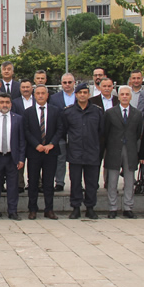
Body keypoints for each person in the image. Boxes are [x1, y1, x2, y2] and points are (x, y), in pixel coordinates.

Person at [60, 83, 104, 219]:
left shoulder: (97, 111)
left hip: (92, 153)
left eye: (85, 92)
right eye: (80, 93)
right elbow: (63, 132)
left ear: (89, 94)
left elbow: (101, 132)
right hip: (75, 153)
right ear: (76, 95)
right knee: (75, 182)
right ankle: (76, 208)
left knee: (91, 183)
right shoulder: (68, 112)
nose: (83, 95)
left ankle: (90, 208)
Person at [103, 86, 144, 218]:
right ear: (118, 97)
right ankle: (112, 208)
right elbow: (106, 132)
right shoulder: (110, 113)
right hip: (114, 149)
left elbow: (138, 132)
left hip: (130, 149)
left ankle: (128, 207)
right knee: (112, 180)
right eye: (122, 94)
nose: (125, 96)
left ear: (130, 97)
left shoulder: (137, 114)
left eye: (127, 94)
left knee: (129, 180)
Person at [23, 84, 61, 219]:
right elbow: (26, 131)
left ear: (47, 95)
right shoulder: (28, 112)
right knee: (33, 182)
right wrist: (36, 145)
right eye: (38, 93)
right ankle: (32, 209)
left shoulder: (56, 111)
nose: (40, 96)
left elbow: (60, 129)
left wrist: (52, 144)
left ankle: (49, 209)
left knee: (48, 182)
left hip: (51, 152)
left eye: (43, 93)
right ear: (34, 95)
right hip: (34, 152)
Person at [0, 92, 25, 220]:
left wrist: (21, 158)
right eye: (2, 102)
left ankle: (12, 211)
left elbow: (22, 141)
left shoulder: (18, 119)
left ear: (11, 104)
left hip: (12, 158)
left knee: (13, 186)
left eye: (7, 102)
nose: (4, 105)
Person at [48, 73, 77, 191]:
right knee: (60, 159)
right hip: (60, 133)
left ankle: (77, 183)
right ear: (61, 84)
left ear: (74, 83)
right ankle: (59, 182)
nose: (67, 85)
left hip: (76, 133)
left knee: (76, 160)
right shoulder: (54, 98)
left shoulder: (79, 96)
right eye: (65, 82)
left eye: (70, 82)